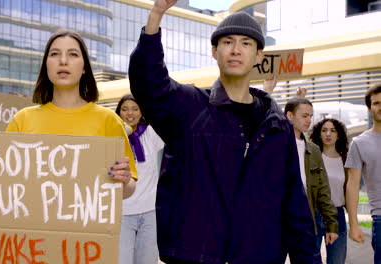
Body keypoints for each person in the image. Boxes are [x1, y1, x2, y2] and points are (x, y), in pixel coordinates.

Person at [128, 1, 320, 263]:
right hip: (195, 253)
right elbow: (148, 84)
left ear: (258, 56)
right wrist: (156, 15)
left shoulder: (277, 125)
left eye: (246, 43)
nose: (236, 50)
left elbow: (294, 205)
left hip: (257, 255)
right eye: (228, 42)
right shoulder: (189, 106)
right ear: (214, 52)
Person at [0, 29, 137, 199]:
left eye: (73, 54)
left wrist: (124, 180)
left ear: (84, 68)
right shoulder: (23, 119)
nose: (63, 61)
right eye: (55, 54)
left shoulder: (108, 120)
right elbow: (1, 181)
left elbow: (128, 188)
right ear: (46, 66)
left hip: (88, 232)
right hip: (30, 232)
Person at [115, 94, 164, 264]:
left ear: (142, 111)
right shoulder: (112, 137)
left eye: (135, 109)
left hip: (150, 212)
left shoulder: (151, 133)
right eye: (125, 109)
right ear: (118, 113)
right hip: (122, 213)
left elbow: (169, 122)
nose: (130, 113)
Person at [284, 98, 339, 243]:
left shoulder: (313, 150)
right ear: (290, 116)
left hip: (306, 222)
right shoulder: (275, 145)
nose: (309, 120)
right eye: (304, 116)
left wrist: (331, 223)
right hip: (279, 223)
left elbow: (323, 190)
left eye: (310, 116)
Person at [345, 83, 381, 264]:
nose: (380, 107)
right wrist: (353, 224)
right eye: (376, 103)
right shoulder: (359, 143)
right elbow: (352, 184)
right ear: (369, 109)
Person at [310, 118, 349, 264]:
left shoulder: (345, 160)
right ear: (319, 134)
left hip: (337, 214)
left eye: (333, 130)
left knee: (337, 261)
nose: (328, 134)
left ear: (338, 135)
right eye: (324, 130)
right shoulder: (312, 157)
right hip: (314, 214)